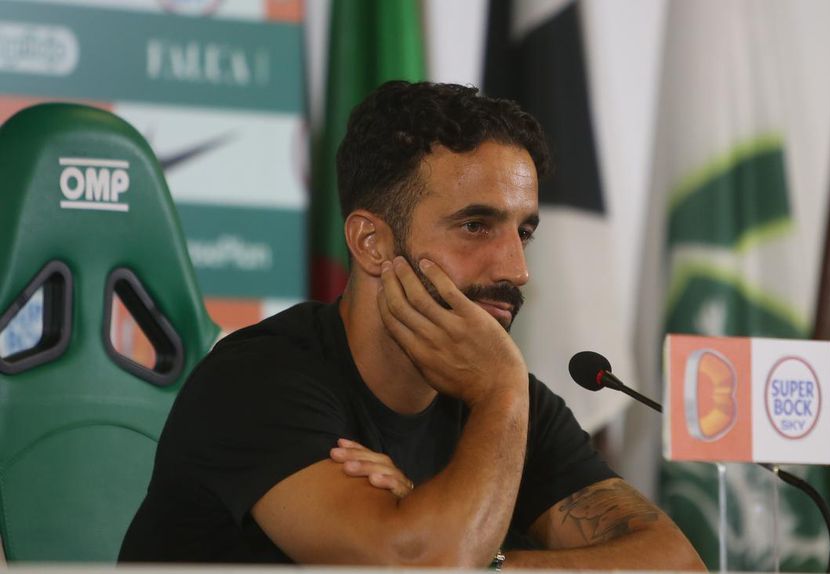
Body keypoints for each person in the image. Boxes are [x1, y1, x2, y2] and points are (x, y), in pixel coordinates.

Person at [120, 81, 704, 570]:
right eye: (476, 226)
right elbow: (426, 568)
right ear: (371, 243)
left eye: (523, 232)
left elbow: (678, 564)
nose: (516, 269)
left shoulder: (508, 400)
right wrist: (499, 397)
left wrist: (489, 558)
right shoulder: (258, 382)